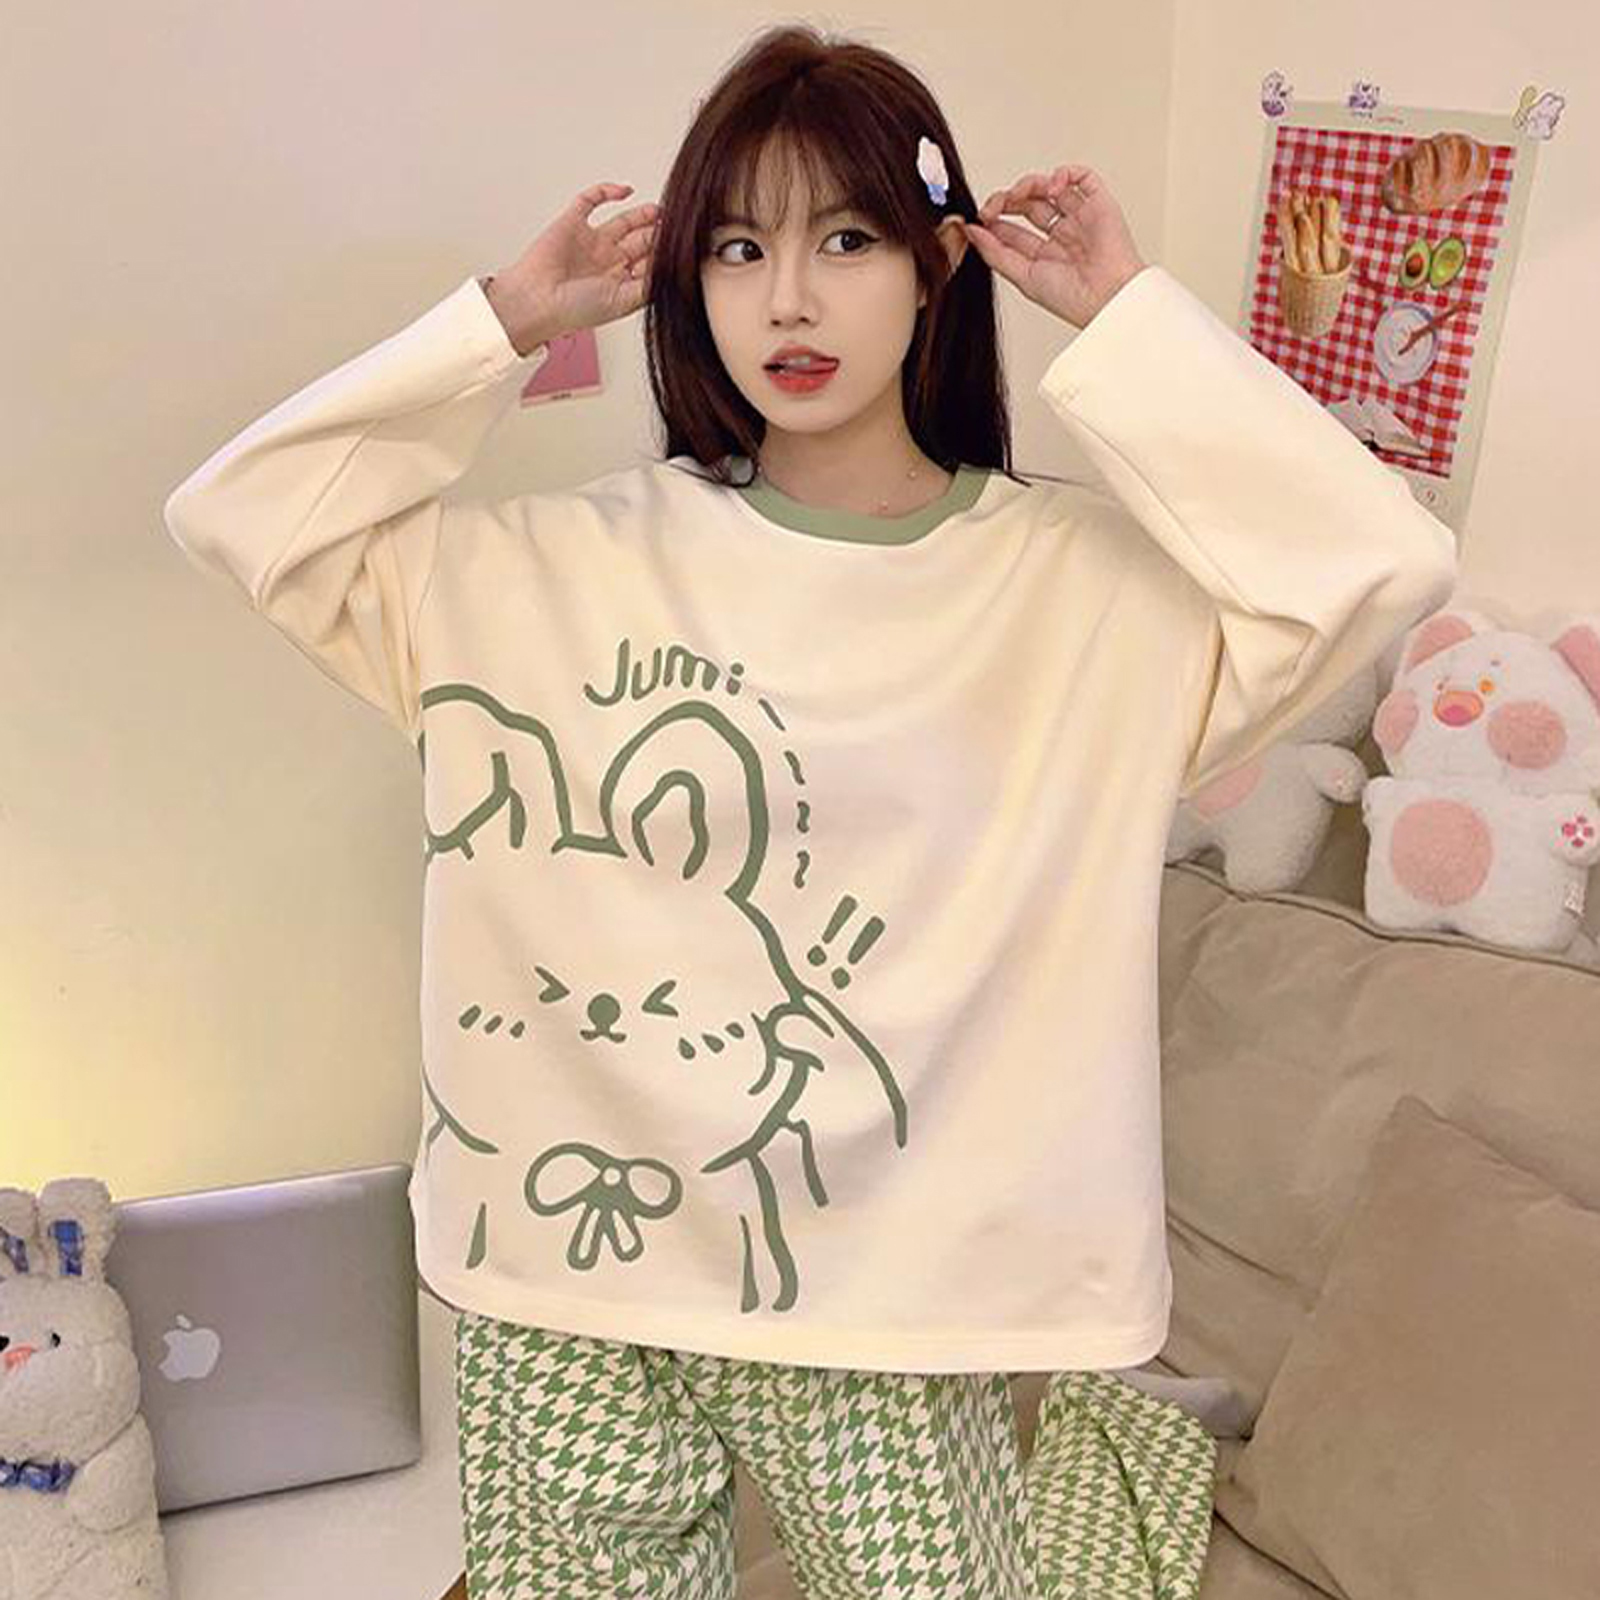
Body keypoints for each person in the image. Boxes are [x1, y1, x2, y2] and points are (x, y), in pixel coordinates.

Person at [163, 22, 1457, 1600]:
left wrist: (1123, 318)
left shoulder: (1086, 593)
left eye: (847, 241)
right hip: (567, 1279)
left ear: (936, 267)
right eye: (738, 247)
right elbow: (243, 515)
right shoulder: (546, 568)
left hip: (892, 1291)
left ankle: (1125, 1462)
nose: (787, 299)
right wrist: (500, 325)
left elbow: (1379, 561)